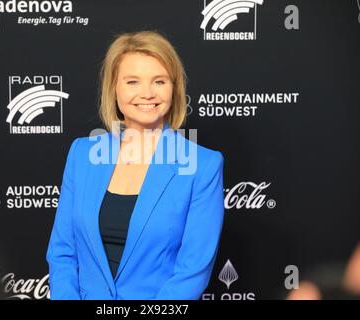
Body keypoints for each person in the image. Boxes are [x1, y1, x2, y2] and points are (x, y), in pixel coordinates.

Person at [46, 30, 225, 300]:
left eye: (159, 81)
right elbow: (62, 252)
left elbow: (192, 271)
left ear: (174, 88)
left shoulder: (204, 165)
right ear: (113, 88)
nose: (147, 93)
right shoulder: (82, 154)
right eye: (132, 82)